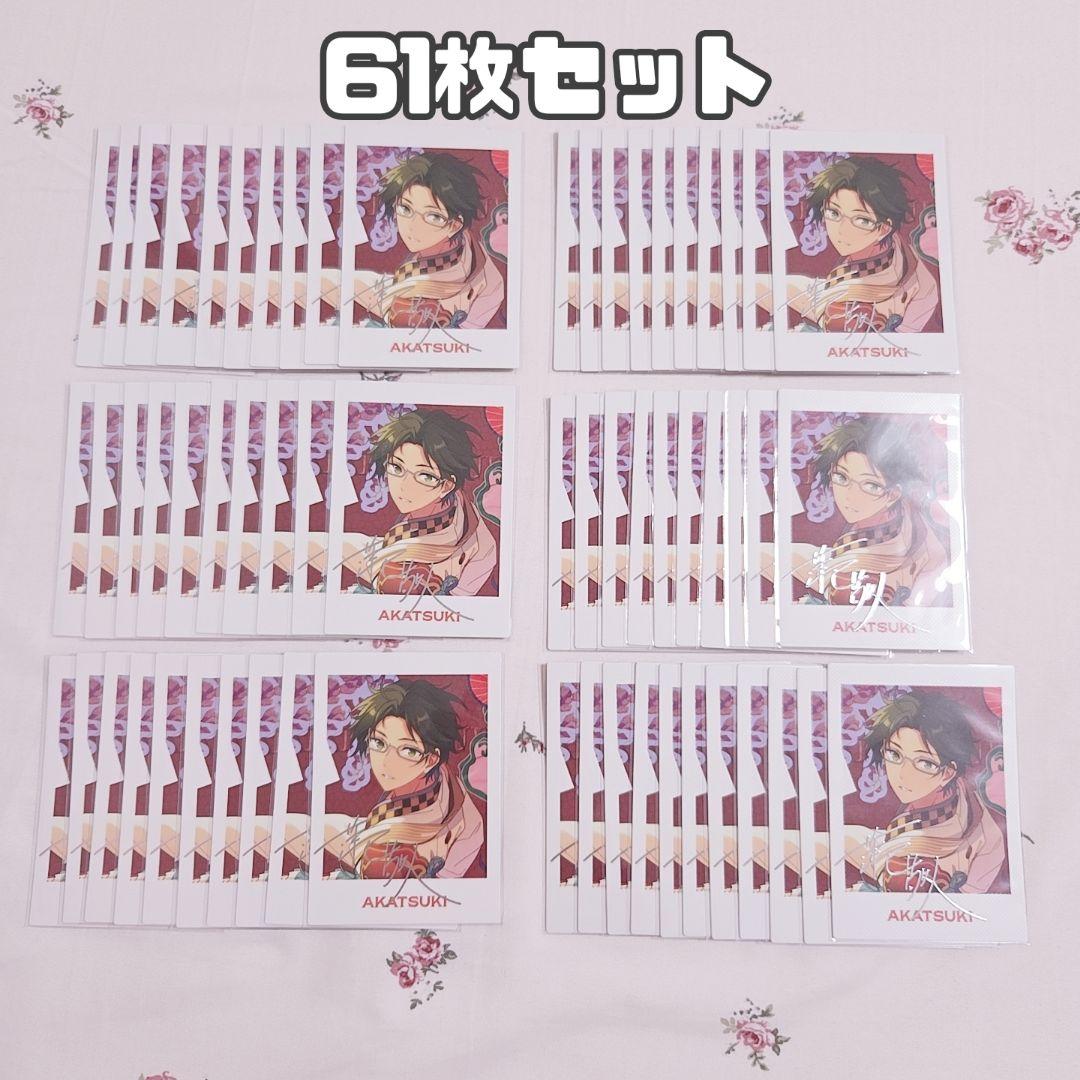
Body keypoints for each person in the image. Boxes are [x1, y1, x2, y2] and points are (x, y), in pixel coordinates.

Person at [848, 692, 1006, 894]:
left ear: (948, 772)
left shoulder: (981, 837)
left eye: (925, 763)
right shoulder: (943, 799)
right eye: (894, 754)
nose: (903, 775)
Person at [790, 415, 950, 609]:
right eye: (841, 477)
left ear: (894, 493)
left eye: (871, 486)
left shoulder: (907, 544)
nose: (850, 496)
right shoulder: (885, 523)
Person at [332, 680, 484, 879]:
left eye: (408, 750)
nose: (387, 762)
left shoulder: (451, 818)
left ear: (431, 759)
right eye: (379, 742)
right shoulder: (440, 783)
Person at [342, 409, 498, 597]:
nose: (404, 486)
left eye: (425, 476)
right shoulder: (449, 509)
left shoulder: (475, 544)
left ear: (447, 485)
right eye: (396, 467)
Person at [780, 156, 940, 334]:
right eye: (833, 213)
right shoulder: (892, 249)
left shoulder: (902, 281)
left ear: (884, 228)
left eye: (862, 220)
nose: (842, 230)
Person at [350, 152, 506, 330]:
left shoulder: (449, 284)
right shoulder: (463, 244)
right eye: (405, 208)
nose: (413, 226)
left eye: (433, 216)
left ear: (455, 225)